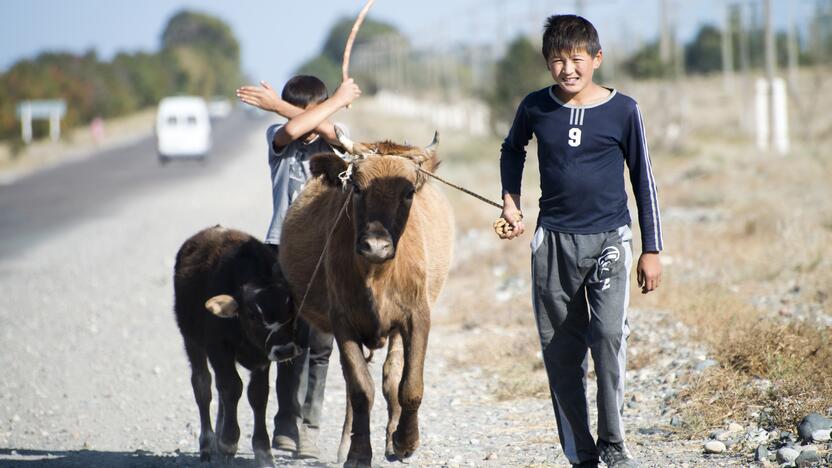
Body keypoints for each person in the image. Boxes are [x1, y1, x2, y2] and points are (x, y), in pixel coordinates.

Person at [497, 14, 663, 468]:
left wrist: (651, 249)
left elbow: (643, 179)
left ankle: (613, 443)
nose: (568, 69)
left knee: (608, 335)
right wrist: (510, 203)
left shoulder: (624, 110)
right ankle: (581, 453)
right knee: (561, 352)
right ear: (547, 63)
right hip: (553, 244)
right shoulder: (535, 107)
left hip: (610, 238)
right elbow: (512, 150)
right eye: (557, 60)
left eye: (577, 59)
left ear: (596, 59)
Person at [236, 74, 361, 459]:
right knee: (288, 341)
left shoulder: (335, 139)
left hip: (325, 254)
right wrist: (336, 98)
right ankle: (285, 423)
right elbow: (293, 126)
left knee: (320, 343)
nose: (311, 122)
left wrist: (330, 106)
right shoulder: (278, 136)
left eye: (318, 110)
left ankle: (310, 424)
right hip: (282, 249)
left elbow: (333, 133)